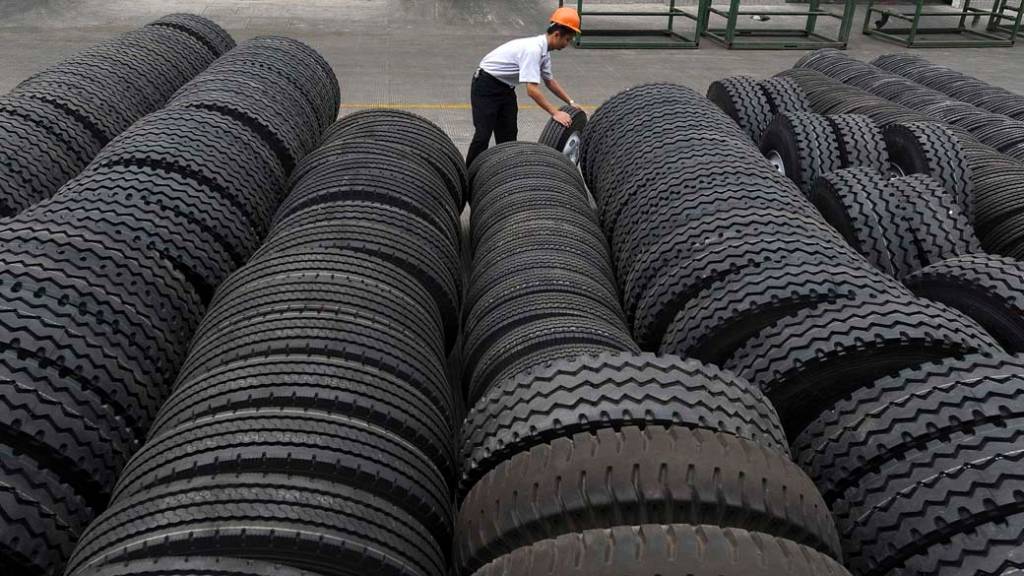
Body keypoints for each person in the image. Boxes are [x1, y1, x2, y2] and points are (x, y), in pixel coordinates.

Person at [465, 7, 581, 167]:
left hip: (506, 89)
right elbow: (532, 90)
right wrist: (555, 112)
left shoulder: (545, 52)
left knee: (508, 135)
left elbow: (550, 81)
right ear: (557, 35)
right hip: (486, 85)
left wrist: (571, 102)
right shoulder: (533, 50)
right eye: (567, 40)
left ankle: (505, 173)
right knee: (483, 136)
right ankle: (468, 175)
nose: (567, 44)